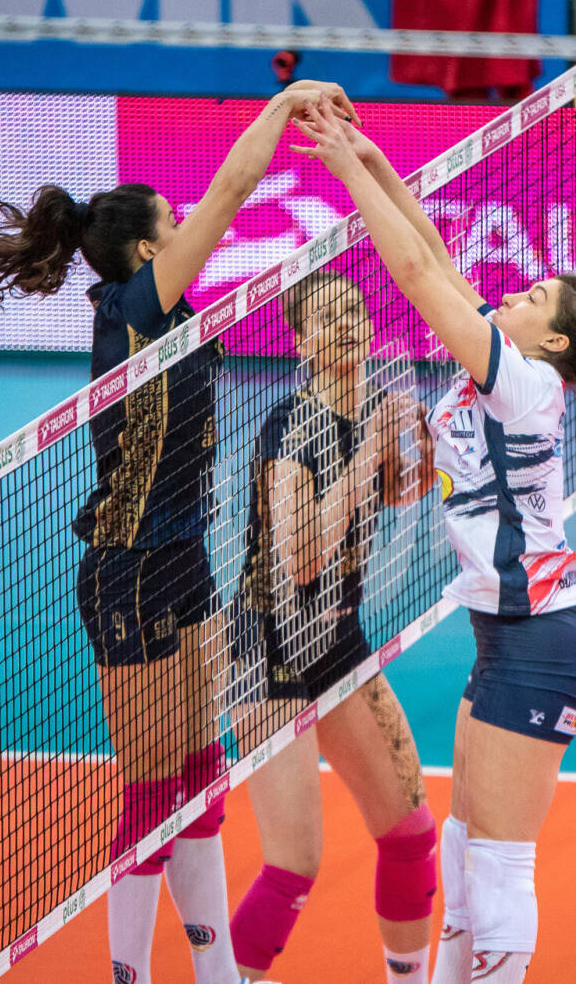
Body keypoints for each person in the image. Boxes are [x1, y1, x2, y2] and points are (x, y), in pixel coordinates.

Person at [0, 80, 353, 984]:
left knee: (202, 773)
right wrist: (282, 105)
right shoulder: (135, 307)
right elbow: (232, 190)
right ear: (146, 247)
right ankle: (129, 972)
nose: (187, 225)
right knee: (151, 795)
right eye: (174, 220)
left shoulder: (171, 312)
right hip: (126, 567)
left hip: (186, 555)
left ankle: (216, 975)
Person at [291, 101, 576, 983]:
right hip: (507, 638)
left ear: (551, 339)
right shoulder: (505, 367)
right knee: (461, 843)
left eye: (532, 298)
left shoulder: (521, 382)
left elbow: (416, 275)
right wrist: (373, 157)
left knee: (497, 862)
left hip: (545, 644)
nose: (512, 294)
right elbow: (439, 259)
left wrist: (344, 174)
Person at [228, 272, 440, 983]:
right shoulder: (289, 426)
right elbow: (305, 558)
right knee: (294, 865)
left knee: (411, 835)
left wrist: (423, 443)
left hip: (339, 636)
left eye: (353, 311)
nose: (345, 324)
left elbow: (399, 493)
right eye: (325, 319)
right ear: (301, 343)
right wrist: (369, 449)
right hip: (269, 649)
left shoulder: (374, 405)